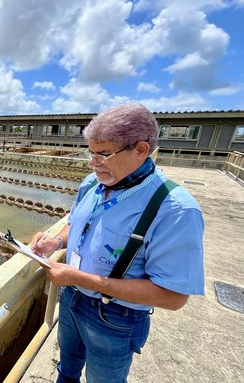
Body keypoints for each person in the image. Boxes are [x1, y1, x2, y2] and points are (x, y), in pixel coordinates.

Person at [30, 103, 205, 383]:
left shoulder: (175, 210)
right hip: (72, 298)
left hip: (114, 318)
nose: (93, 162)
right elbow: (76, 223)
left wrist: (87, 280)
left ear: (141, 150)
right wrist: (55, 241)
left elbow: (173, 297)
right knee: (66, 368)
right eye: (91, 153)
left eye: (103, 154)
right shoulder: (92, 183)